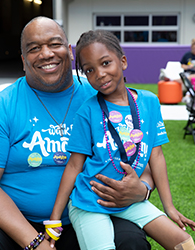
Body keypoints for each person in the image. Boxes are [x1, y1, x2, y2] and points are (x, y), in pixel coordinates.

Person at [0, 17, 153, 250]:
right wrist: (35, 241)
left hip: (91, 212)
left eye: (54, 44)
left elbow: (143, 162)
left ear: (69, 51)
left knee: (130, 242)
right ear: (23, 59)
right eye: (34, 48)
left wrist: (143, 190)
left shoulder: (103, 99)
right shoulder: (1, 107)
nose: (46, 54)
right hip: (14, 219)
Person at [46, 30, 195, 250]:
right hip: (90, 202)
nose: (100, 74)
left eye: (106, 63)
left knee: (184, 243)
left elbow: (157, 155)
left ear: (123, 61)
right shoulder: (87, 111)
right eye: (89, 70)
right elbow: (74, 165)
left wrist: (169, 207)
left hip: (128, 200)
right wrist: (55, 217)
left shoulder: (149, 102)